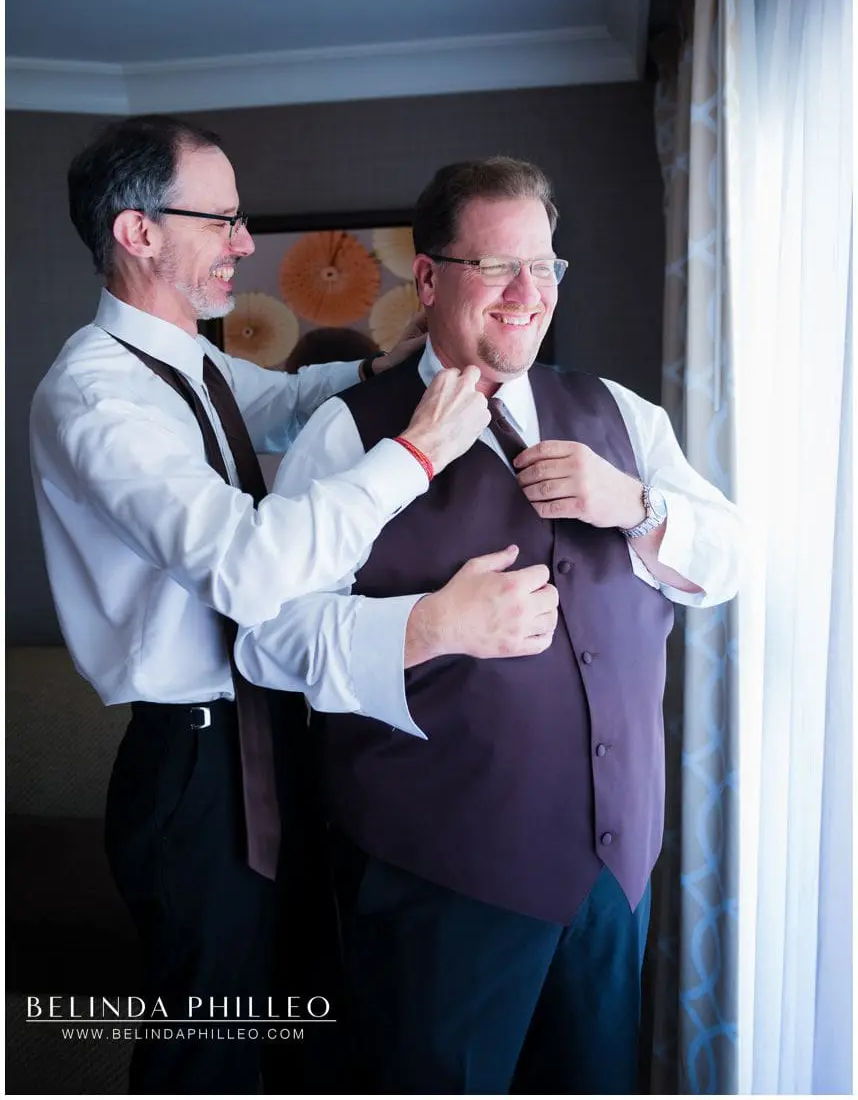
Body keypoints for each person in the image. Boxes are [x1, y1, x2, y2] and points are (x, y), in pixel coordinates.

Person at [28, 120, 560, 1096]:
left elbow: (278, 399)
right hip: (195, 765)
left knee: (295, 1017)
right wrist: (416, 452)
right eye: (223, 218)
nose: (241, 240)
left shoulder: (183, 359)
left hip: (271, 738)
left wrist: (382, 372)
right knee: (211, 1040)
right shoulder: (97, 398)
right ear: (139, 231)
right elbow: (249, 571)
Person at [237, 157, 742, 1096]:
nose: (528, 294)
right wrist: (426, 626)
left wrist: (636, 504)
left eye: (545, 267)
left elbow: (731, 563)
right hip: (441, 880)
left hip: (611, 874)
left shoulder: (624, 418)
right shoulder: (347, 435)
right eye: (498, 267)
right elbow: (266, 637)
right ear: (429, 279)